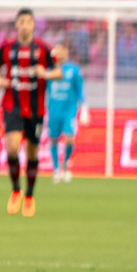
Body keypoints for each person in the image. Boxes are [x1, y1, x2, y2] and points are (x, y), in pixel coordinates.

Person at [0, 8, 65, 217]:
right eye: (21, 21)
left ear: (33, 25)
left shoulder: (42, 48)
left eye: (28, 21)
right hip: (12, 105)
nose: (24, 25)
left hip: (35, 108)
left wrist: (46, 74)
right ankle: (16, 190)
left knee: (32, 152)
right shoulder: (7, 47)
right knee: (12, 148)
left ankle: (30, 195)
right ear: (16, 24)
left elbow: (59, 72)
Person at [46, 41, 89, 183]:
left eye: (61, 50)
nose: (59, 53)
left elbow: (79, 89)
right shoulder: (48, 69)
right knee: (53, 139)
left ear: (66, 52)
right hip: (53, 109)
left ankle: (65, 164)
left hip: (69, 110)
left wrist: (84, 108)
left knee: (70, 138)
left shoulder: (73, 70)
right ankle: (56, 169)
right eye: (56, 50)